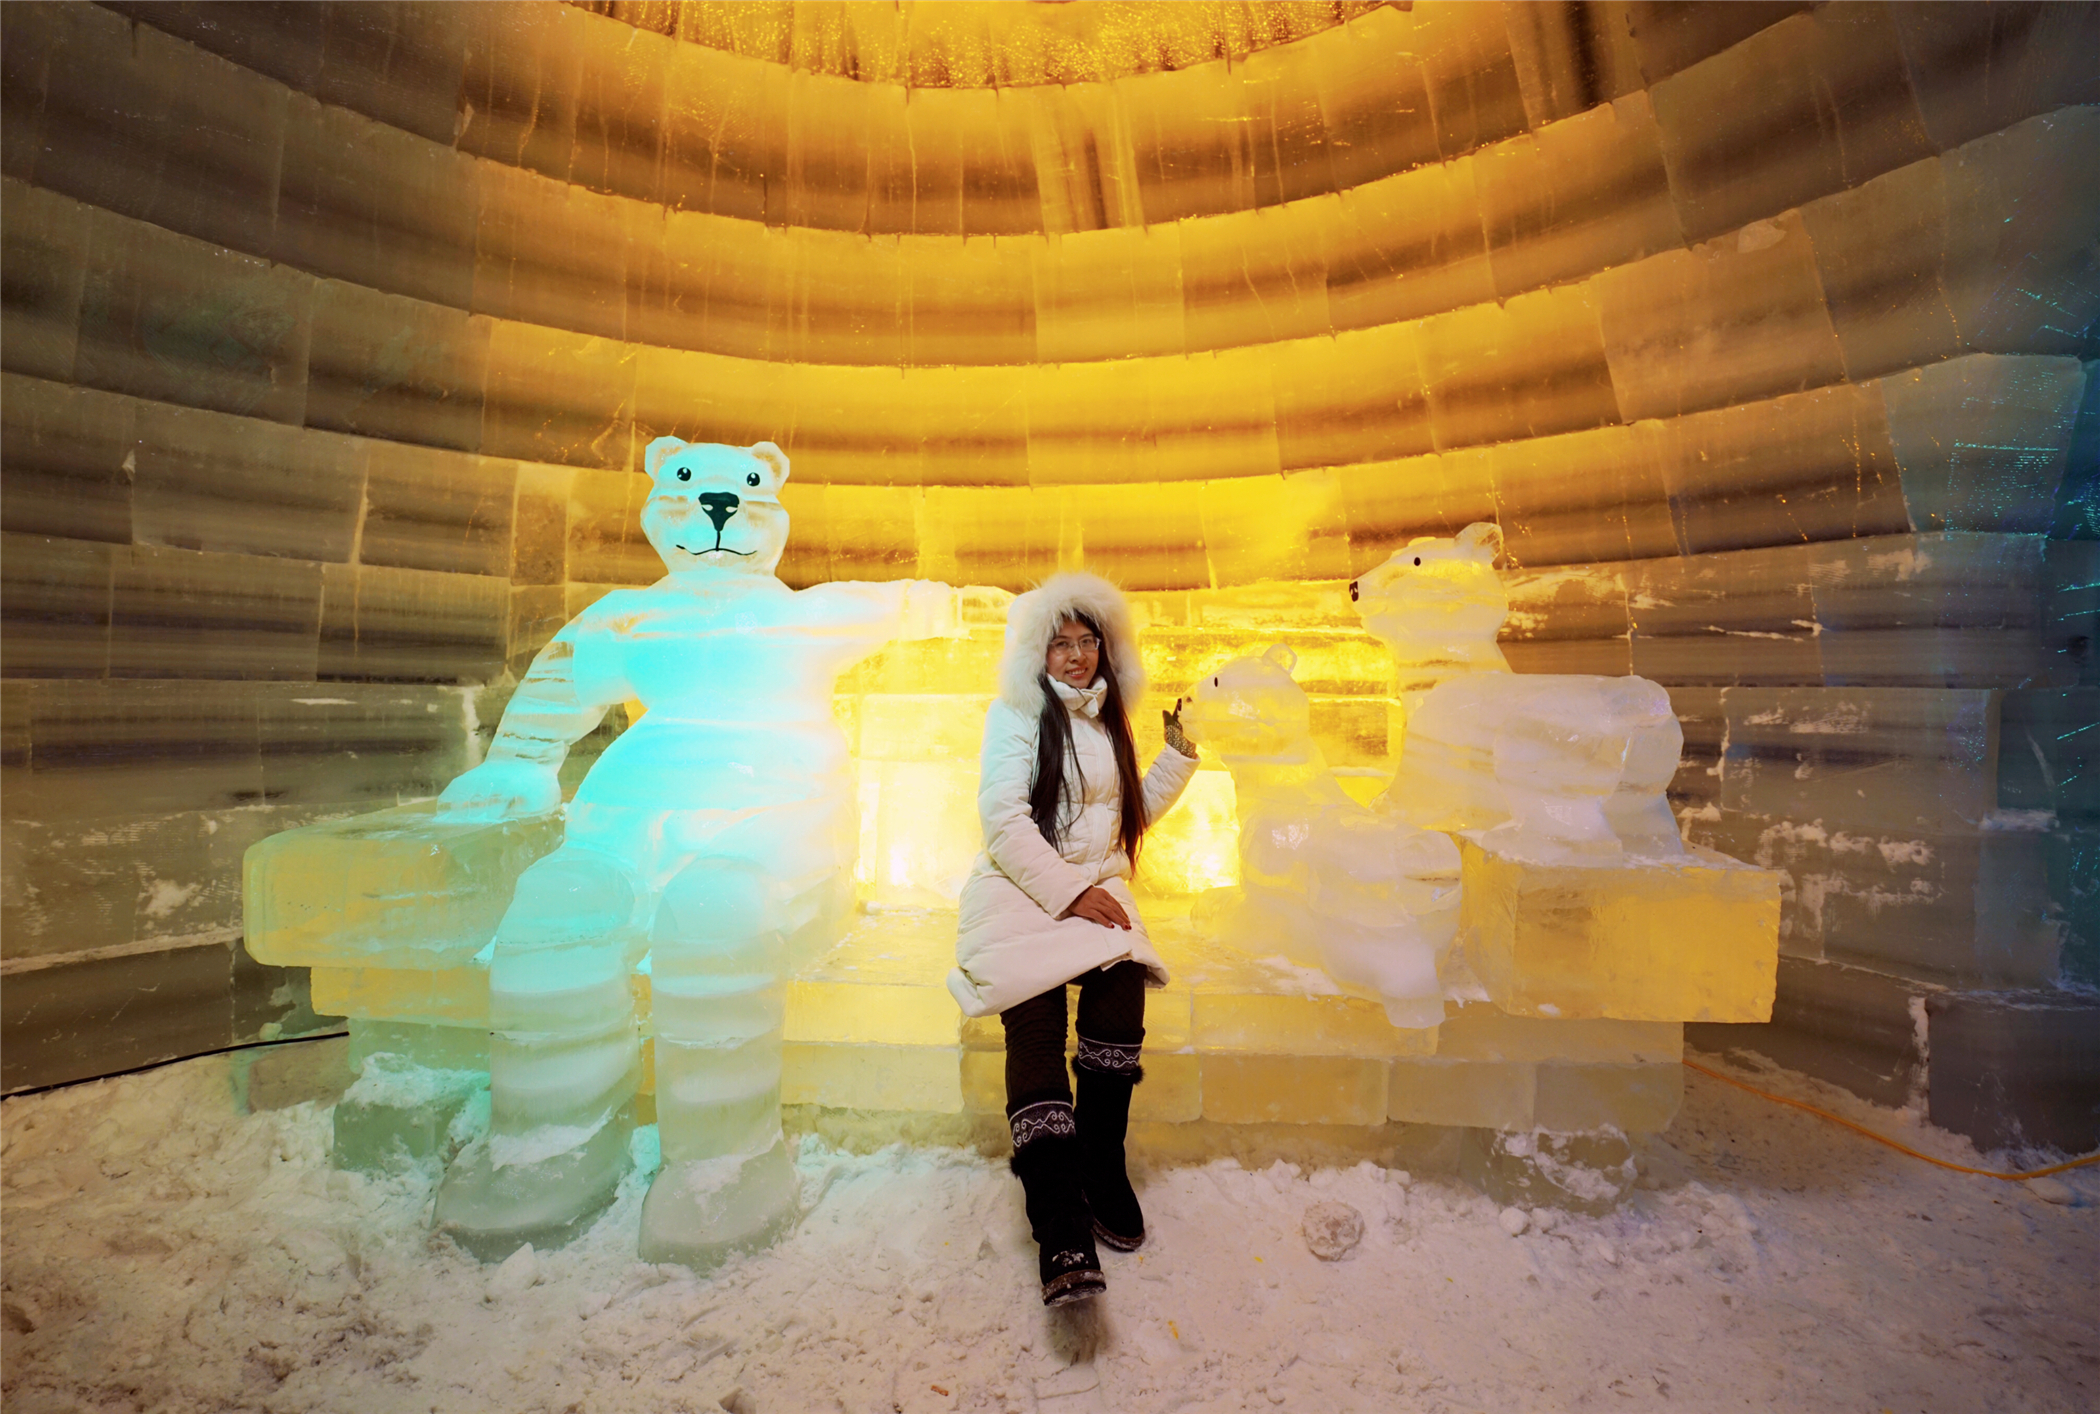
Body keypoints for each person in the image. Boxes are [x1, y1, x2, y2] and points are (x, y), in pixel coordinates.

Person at [948, 573, 1199, 1306]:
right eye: (1060, 643)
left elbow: (1123, 814)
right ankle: (1058, 1217)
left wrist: (1176, 756)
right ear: (1037, 652)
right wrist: (1069, 892)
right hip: (1019, 888)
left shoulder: (1105, 718)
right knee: (1035, 1013)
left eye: (1087, 641)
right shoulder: (1016, 714)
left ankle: (1101, 1159)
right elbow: (1002, 820)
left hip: (1090, 891)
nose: (1076, 656)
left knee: (1122, 990)